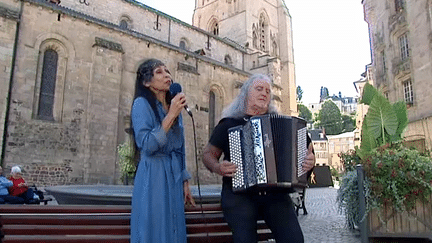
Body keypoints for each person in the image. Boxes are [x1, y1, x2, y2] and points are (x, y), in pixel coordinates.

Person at [202, 73, 316, 243]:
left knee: (294, 240)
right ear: (246, 93)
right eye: (259, 89)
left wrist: (309, 161)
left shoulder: (285, 124)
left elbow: (308, 150)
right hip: (240, 196)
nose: (264, 93)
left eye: (268, 91)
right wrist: (218, 168)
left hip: (275, 195)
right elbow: (207, 155)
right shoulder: (229, 123)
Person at [130, 58, 195, 243]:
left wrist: (184, 180)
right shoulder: (141, 104)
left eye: (167, 71)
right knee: (155, 229)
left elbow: (180, 146)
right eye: (159, 72)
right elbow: (148, 145)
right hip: (153, 175)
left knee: (174, 228)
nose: (167, 75)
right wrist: (171, 115)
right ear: (146, 82)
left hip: (173, 175)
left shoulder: (173, 105)